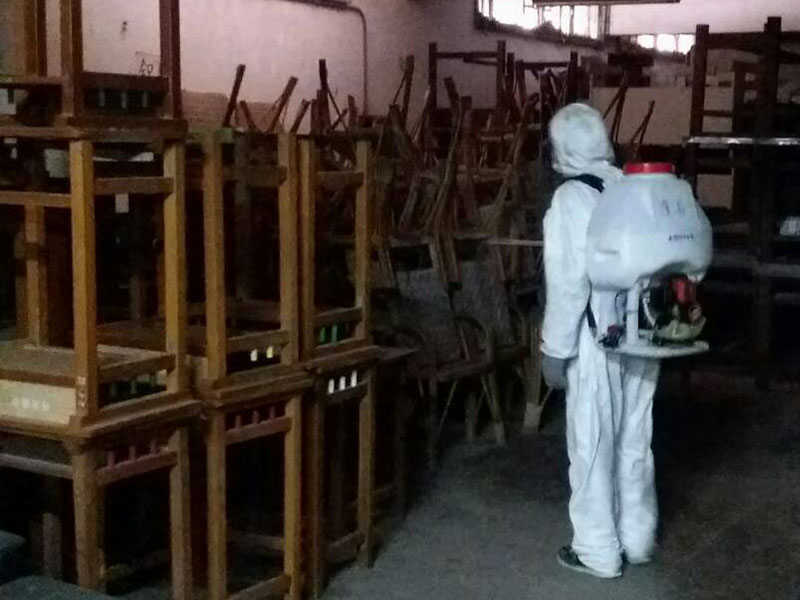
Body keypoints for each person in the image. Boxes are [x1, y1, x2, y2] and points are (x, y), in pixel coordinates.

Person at [541, 103, 661, 579]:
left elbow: (569, 282)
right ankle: (637, 538)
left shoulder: (572, 198)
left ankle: (597, 550)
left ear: (563, 149)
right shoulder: (631, 187)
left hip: (597, 339)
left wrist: (555, 349)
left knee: (592, 443)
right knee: (635, 439)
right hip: (644, 332)